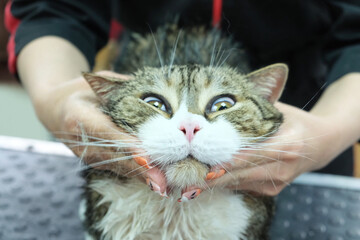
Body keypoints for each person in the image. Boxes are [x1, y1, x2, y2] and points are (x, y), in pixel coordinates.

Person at [5, 0, 360, 198]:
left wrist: (328, 131)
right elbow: (53, 7)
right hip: (137, 90)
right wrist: (56, 98)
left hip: (307, 112)